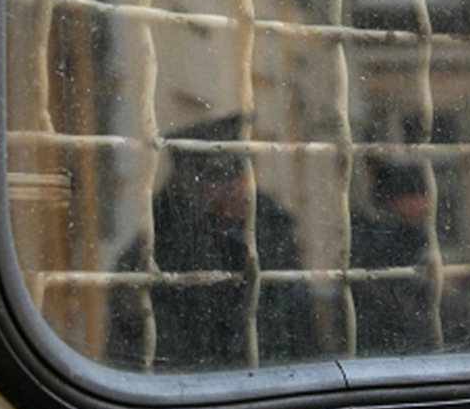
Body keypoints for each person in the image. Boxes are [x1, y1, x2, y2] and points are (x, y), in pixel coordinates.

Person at [106, 115, 316, 373]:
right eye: (216, 176)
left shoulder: (272, 231)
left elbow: (302, 331)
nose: (236, 186)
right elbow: (139, 357)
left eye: (242, 170)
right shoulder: (152, 255)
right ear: (185, 183)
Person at [349, 160, 434, 357]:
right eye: (414, 196)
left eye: (424, 195)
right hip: (378, 329)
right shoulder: (371, 232)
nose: (424, 203)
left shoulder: (417, 231)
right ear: (395, 199)